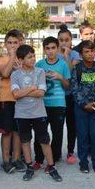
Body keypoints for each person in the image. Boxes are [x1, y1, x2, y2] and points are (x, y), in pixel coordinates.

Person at [10, 44, 62, 182]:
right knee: (25, 141)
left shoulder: (40, 72)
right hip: (22, 114)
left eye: (33, 56)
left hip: (39, 113)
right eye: (29, 57)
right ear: (20, 59)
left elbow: (41, 93)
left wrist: (25, 91)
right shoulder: (15, 74)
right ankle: (29, 167)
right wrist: (32, 87)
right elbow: (15, 94)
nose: (33, 59)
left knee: (44, 140)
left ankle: (51, 166)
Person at [33, 36, 70, 167]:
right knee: (40, 132)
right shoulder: (39, 65)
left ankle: (54, 158)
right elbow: (34, 83)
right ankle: (38, 158)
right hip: (41, 104)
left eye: (53, 48)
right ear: (44, 50)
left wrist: (60, 77)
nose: (50, 51)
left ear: (58, 49)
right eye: (47, 48)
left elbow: (68, 86)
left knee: (57, 132)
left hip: (58, 104)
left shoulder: (63, 64)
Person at [71, 41, 95, 174]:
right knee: (83, 136)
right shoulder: (77, 68)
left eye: (92, 51)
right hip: (81, 108)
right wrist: (84, 104)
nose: (90, 54)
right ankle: (83, 163)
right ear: (81, 54)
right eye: (86, 52)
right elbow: (74, 88)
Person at [0, 30, 25, 173]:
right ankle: (6, 161)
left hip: (20, 99)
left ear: (20, 43)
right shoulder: (1, 60)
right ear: (5, 45)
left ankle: (17, 159)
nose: (12, 45)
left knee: (18, 131)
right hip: (6, 99)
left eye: (15, 43)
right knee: (7, 132)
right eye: (9, 43)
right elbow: (5, 73)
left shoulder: (24, 60)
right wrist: (12, 58)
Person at [57, 25, 80, 165]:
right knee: (58, 126)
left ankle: (70, 151)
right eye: (61, 40)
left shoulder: (75, 55)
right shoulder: (54, 53)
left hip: (71, 96)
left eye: (67, 40)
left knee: (72, 126)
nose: (64, 43)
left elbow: (71, 72)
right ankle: (57, 152)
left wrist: (66, 56)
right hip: (58, 96)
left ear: (71, 40)